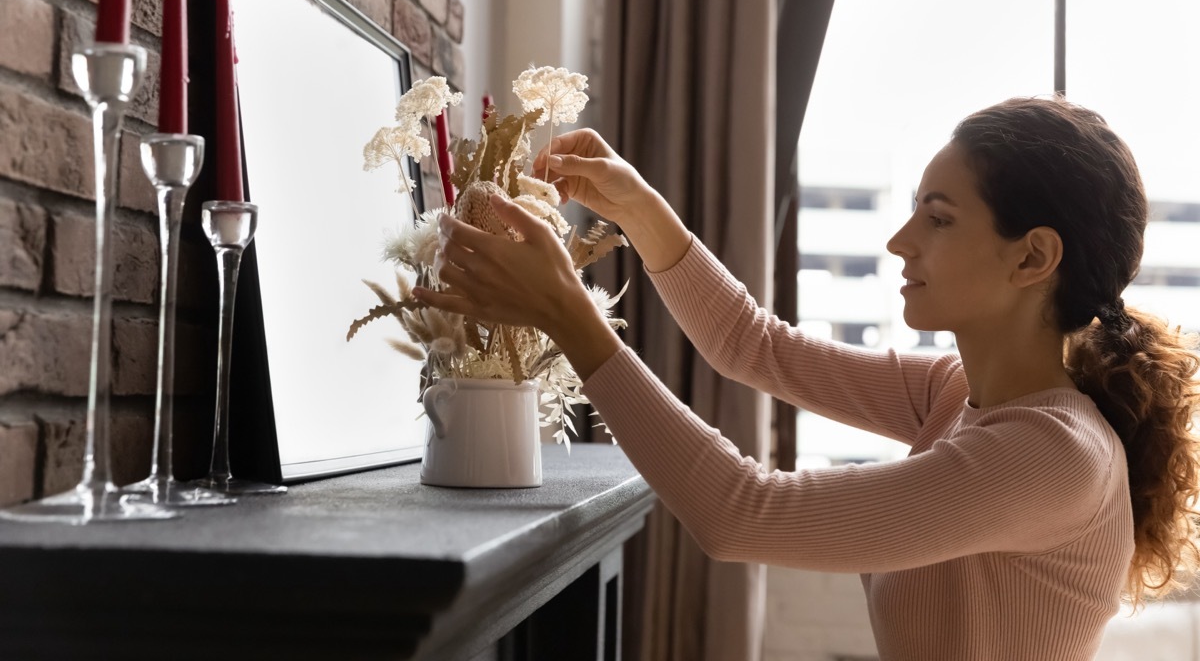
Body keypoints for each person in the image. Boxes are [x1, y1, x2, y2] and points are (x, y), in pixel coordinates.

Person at [414, 95, 1200, 660]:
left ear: (1032, 257)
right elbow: (753, 345)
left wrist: (568, 315)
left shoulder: (1053, 457)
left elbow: (740, 513)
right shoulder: (960, 395)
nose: (900, 241)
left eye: (938, 217)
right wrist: (641, 209)